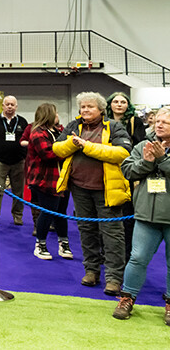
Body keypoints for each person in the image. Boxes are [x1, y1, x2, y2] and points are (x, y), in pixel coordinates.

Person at [53, 92, 131, 296]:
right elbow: (58, 149)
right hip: (80, 188)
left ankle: (114, 277)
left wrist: (87, 147)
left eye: (90, 107)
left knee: (112, 234)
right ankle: (91, 270)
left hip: (108, 190)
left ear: (101, 109)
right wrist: (73, 143)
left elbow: (122, 153)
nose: (85, 110)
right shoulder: (73, 126)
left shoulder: (114, 127)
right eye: (83, 107)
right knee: (86, 230)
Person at [115, 106, 170, 324]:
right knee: (137, 258)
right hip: (146, 214)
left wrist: (162, 159)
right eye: (157, 121)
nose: (159, 124)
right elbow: (127, 171)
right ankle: (127, 298)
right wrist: (147, 161)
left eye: (165, 122)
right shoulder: (141, 146)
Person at [27, 103, 73, 261]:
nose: (58, 115)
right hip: (45, 180)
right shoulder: (37, 133)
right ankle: (40, 244)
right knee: (47, 212)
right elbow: (49, 154)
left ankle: (63, 243)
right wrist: (70, 147)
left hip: (62, 179)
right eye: (56, 112)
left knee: (61, 213)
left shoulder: (59, 131)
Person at [107, 91, 146, 263]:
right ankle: (107, 251)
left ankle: (127, 252)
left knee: (127, 213)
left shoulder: (134, 121)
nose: (119, 104)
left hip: (128, 171)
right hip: (108, 170)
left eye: (123, 102)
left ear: (127, 105)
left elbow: (140, 144)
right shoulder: (104, 121)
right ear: (110, 104)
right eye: (116, 101)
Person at [0, 95, 28, 227]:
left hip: (19, 161)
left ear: (16, 107)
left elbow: (27, 139)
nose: (9, 107)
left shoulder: (22, 122)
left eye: (12, 104)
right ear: (3, 106)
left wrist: (24, 156)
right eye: (7, 104)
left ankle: (18, 216)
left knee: (18, 191)